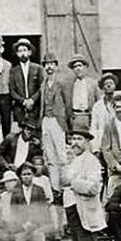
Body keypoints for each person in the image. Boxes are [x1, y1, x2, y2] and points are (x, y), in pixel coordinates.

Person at [38, 52, 69, 193]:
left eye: (52, 64)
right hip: (46, 121)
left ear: (56, 66)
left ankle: (66, 186)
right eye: (46, 64)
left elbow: (67, 104)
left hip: (58, 121)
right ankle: (55, 188)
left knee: (61, 155)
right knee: (50, 157)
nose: (49, 67)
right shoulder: (43, 84)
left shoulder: (61, 84)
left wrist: (66, 124)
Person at [9, 38, 42, 124]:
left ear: (29, 52)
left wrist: (32, 100)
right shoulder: (13, 70)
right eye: (20, 51)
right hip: (20, 108)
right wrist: (23, 101)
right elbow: (12, 90)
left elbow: (42, 87)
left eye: (24, 50)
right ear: (17, 54)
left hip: (35, 108)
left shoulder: (37, 68)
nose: (23, 53)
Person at [64, 53, 100, 131]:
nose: (78, 69)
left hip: (89, 118)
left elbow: (99, 103)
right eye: (75, 67)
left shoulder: (93, 84)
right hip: (75, 118)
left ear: (85, 67)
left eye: (80, 65)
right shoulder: (70, 85)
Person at [90, 72, 117, 153]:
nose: (108, 86)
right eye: (106, 84)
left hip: (116, 140)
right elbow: (94, 127)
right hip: (102, 141)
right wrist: (95, 147)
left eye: (111, 83)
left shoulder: (119, 104)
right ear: (102, 87)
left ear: (115, 86)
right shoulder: (97, 106)